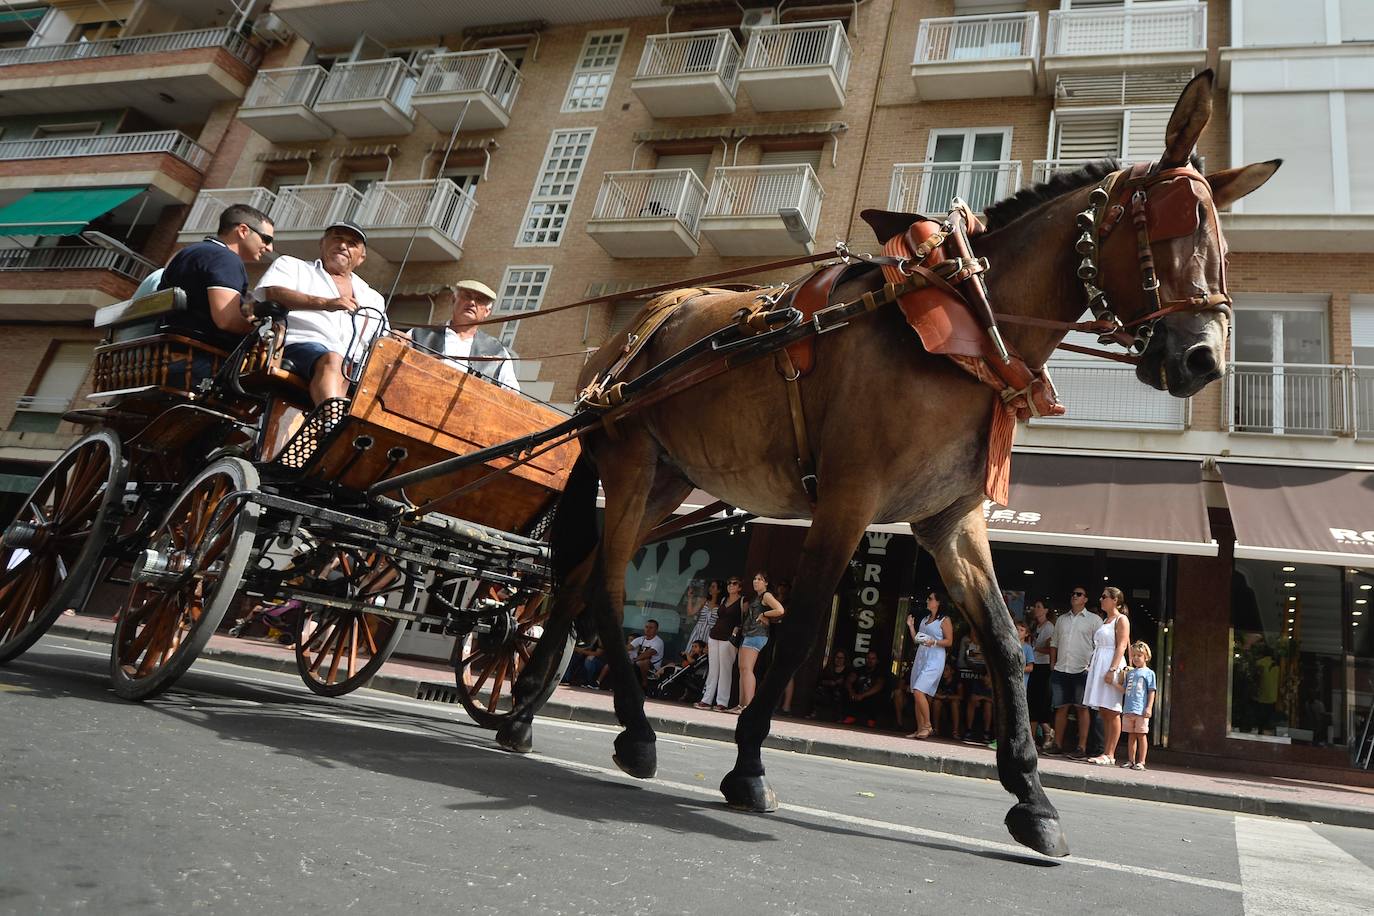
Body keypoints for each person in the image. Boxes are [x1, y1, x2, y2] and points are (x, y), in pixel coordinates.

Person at [254, 220, 387, 405]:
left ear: (361, 257)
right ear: (322, 243)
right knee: (334, 359)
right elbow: (274, 293)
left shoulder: (373, 298)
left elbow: (383, 338)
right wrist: (325, 303)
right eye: (337, 238)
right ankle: (330, 420)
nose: (343, 246)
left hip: (353, 366)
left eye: (352, 243)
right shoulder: (293, 266)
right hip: (299, 347)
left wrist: (398, 338)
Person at [159, 203, 274, 373]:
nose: (270, 248)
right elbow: (227, 320)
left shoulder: (189, 252)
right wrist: (262, 334)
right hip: (196, 362)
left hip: (164, 356)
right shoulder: (225, 258)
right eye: (266, 239)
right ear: (243, 231)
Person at [408, 280, 520, 391]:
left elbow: (512, 393)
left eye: (479, 300)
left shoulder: (497, 351)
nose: (472, 303)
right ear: (454, 300)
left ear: (487, 311)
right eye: (467, 296)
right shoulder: (418, 334)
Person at [1045, 585, 1100, 759]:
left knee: (1081, 708)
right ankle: (1057, 744)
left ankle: (1081, 747)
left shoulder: (1094, 620)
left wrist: (1091, 667)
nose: (1074, 596)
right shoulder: (1062, 619)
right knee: (1061, 707)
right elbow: (1054, 642)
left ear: (1085, 599)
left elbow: (1099, 646)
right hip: (1061, 668)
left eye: (1079, 594)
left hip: (1082, 669)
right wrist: (1053, 664)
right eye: (1073, 593)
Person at [1083, 586, 1130, 766]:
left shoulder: (1121, 619)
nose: (1101, 599)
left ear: (1115, 600)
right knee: (1103, 710)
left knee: (1112, 710)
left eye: (1104, 597)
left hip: (1111, 663)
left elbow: (1122, 645)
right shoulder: (1106, 620)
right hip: (1100, 663)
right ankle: (1105, 751)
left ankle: (1110, 754)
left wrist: (1112, 669)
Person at [728, 571, 784, 713]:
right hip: (749, 634)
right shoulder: (758, 597)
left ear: (766, 583)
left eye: (760, 579)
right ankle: (741, 705)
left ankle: (748, 706)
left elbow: (780, 610)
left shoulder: (766, 595)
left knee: (747, 669)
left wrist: (764, 614)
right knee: (743, 669)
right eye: (755, 578)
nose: (756, 581)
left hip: (756, 634)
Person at [905, 589, 954, 739]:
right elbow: (917, 639)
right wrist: (911, 626)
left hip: (935, 658)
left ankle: (927, 725)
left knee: (919, 690)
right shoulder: (925, 619)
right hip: (921, 656)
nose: (927, 600)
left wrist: (935, 642)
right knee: (916, 693)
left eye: (930, 598)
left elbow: (949, 641)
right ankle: (920, 729)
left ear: (938, 602)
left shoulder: (944, 620)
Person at [698, 576, 744, 710]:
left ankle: (722, 702)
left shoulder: (742, 601)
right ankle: (706, 700)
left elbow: (745, 620)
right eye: (729, 583)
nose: (731, 585)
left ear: (739, 587)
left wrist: (736, 631)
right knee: (713, 669)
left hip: (728, 638)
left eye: (735, 583)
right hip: (714, 635)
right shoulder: (724, 599)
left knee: (725, 670)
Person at [1121, 640, 1157, 770]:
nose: (1136, 658)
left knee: (1141, 735)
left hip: (1140, 710)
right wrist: (1113, 683)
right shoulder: (1129, 673)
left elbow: (1151, 691)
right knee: (1131, 735)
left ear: (1146, 657)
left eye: (1139, 655)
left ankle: (1141, 761)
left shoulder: (1149, 673)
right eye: (1134, 655)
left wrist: (1149, 707)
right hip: (1128, 709)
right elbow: (1124, 689)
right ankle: (1131, 760)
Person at [1028, 599, 1056, 749]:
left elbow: (1051, 648)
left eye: (1039, 607)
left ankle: (1047, 731)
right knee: (1032, 701)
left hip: (1044, 666)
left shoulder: (1049, 627)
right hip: (1035, 664)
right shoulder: (1035, 626)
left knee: (1041, 701)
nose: (1036, 609)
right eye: (1035, 606)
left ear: (1046, 610)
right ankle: (1031, 738)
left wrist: (1035, 648)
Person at [842, 649, 887, 728]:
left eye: (873, 658)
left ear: (877, 661)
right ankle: (850, 716)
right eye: (868, 658)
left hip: (870, 696)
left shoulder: (880, 672)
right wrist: (851, 692)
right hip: (857, 695)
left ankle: (871, 720)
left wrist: (863, 695)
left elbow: (879, 686)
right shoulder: (859, 669)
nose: (870, 661)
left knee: (877, 697)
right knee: (846, 692)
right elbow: (849, 681)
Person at [809, 649, 849, 721]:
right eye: (837, 657)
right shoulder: (829, 668)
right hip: (827, 691)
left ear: (844, 659)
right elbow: (820, 680)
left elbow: (849, 682)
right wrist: (829, 682)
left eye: (841, 658)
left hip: (840, 692)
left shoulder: (848, 670)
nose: (839, 660)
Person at [686, 580, 720, 648]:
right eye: (710, 586)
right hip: (699, 631)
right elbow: (690, 613)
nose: (710, 588)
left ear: (719, 590)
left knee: (704, 652)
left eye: (713, 587)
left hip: (711, 634)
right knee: (692, 650)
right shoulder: (704, 600)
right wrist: (690, 597)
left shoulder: (721, 605)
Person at [929, 660, 959, 738]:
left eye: (946, 669)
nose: (944, 672)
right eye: (943, 669)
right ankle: (936, 729)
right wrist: (939, 696)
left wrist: (946, 697)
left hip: (953, 705)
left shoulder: (957, 682)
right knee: (936, 702)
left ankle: (955, 732)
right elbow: (935, 693)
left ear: (952, 671)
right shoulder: (940, 681)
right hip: (942, 705)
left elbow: (960, 696)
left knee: (954, 703)